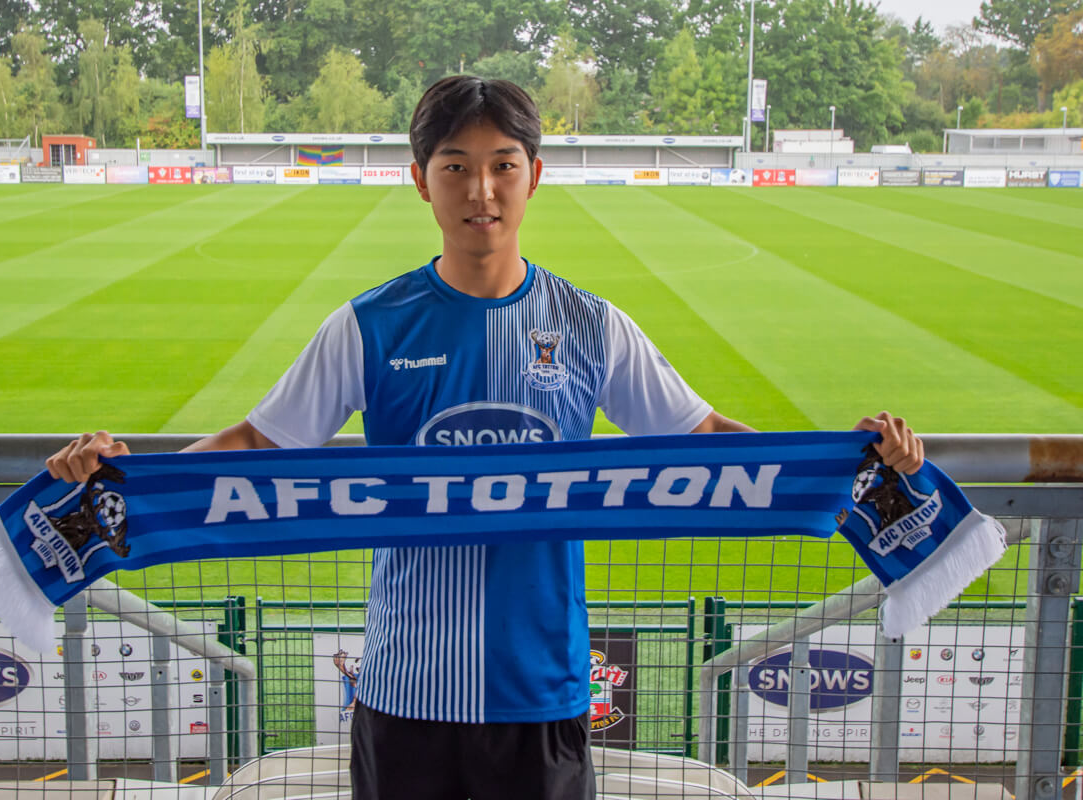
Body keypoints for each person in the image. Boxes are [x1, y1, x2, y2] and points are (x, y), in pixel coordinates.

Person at [46, 76, 924, 800]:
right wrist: (125, 476)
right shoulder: (370, 326)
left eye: (502, 165)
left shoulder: (589, 325)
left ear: (533, 176)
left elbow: (707, 440)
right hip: (403, 689)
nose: (481, 190)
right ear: (421, 179)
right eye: (456, 165)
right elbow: (260, 443)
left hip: (540, 689)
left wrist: (844, 459)